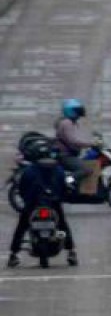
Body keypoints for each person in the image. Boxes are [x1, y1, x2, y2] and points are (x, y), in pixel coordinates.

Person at [8, 138, 76, 268]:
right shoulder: (58, 170)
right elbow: (64, 187)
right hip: (53, 204)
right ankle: (71, 252)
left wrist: (28, 199)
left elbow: (22, 188)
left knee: (21, 227)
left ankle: (13, 254)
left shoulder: (29, 171)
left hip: (32, 204)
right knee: (62, 225)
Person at [53, 98, 95, 187]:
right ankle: (68, 180)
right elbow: (73, 141)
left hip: (68, 153)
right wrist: (90, 143)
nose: (79, 113)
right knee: (86, 170)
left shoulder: (69, 122)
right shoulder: (67, 123)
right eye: (77, 111)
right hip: (65, 155)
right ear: (70, 111)